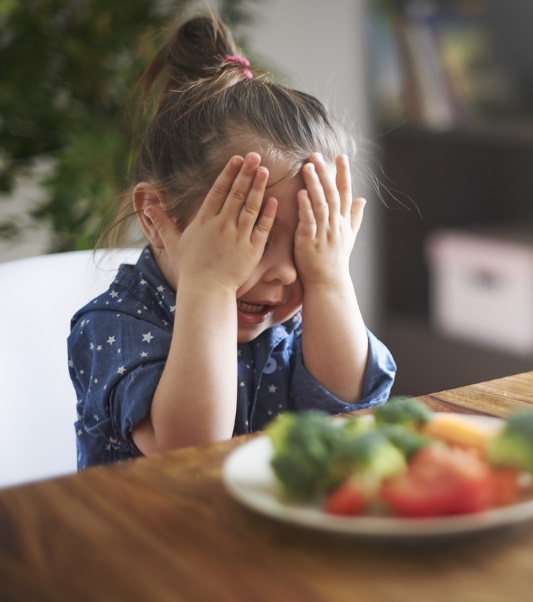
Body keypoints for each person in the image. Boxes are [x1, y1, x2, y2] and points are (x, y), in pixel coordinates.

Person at [67, 14, 396, 469]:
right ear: (156, 218)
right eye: (253, 240)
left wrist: (329, 280)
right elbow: (190, 448)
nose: (284, 271)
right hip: (144, 534)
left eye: (305, 244)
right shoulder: (113, 325)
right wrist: (211, 287)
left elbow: (351, 405)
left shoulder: (299, 312)